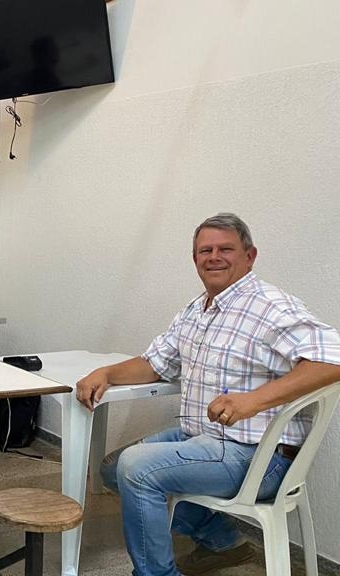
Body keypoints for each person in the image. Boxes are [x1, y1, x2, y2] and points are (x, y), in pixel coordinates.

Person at [76, 213, 340, 576]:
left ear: (250, 256)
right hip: (203, 437)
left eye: (225, 249)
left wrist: (254, 400)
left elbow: (332, 361)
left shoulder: (270, 306)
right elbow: (155, 364)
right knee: (110, 469)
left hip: (259, 455)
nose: (214, 257)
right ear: (195, 259)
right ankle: (222, 540)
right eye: (206, 250)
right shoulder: (196, 310)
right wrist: (106, 373)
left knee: (136, 468)